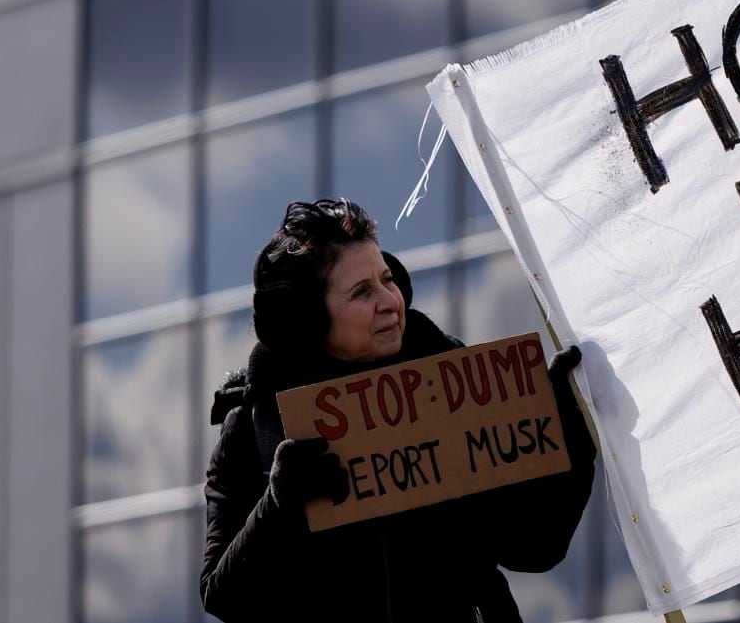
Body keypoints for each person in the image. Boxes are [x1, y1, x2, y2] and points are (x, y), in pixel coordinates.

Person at [200, 199, 595, 623]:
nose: (389, 301)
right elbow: (224, 596)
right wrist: (279, 507)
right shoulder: (252, 429)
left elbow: (536, 545)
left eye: (387, 279)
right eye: (361, 292)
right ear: (306, 319)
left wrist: (566, 427)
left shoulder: (454, 390)